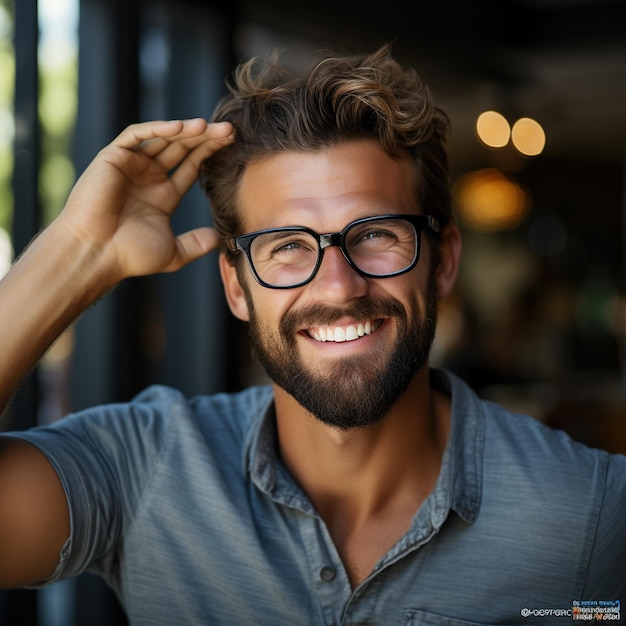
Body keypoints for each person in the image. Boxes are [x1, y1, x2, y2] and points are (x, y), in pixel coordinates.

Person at [0, 45, 624, 625]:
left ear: (444, 262)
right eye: (287, 247)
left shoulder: (592, 517)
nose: (337, 288)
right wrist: (75, 253)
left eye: (377, 234)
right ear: (238, 287)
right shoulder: (143, 467)